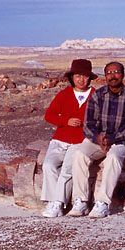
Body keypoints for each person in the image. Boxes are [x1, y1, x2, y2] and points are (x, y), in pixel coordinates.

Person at [67, 61, 125, 218]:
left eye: (116, 72)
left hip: (121, 140)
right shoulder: (97, 95)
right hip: (98, 139)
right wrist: (97, 137)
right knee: (80, 155)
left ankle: (102, 203)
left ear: (123, 74)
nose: (113, 76)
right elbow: (88, 123)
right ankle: (80, 201)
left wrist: (111, 138)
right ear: (105, 76)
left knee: (113, 158)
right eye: (109, 73)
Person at [40, 59, 97, 217]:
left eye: (85, 76)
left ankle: (58, 203)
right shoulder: (64, 94)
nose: (81, 79)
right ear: (72, 77)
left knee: (67, 169)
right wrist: (66, 121)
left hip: (81, 141)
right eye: (78, 76)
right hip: (59, 139)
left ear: (90, 78)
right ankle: (52, 202)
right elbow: (49, 115)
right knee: (48, 165)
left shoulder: (95, 96)